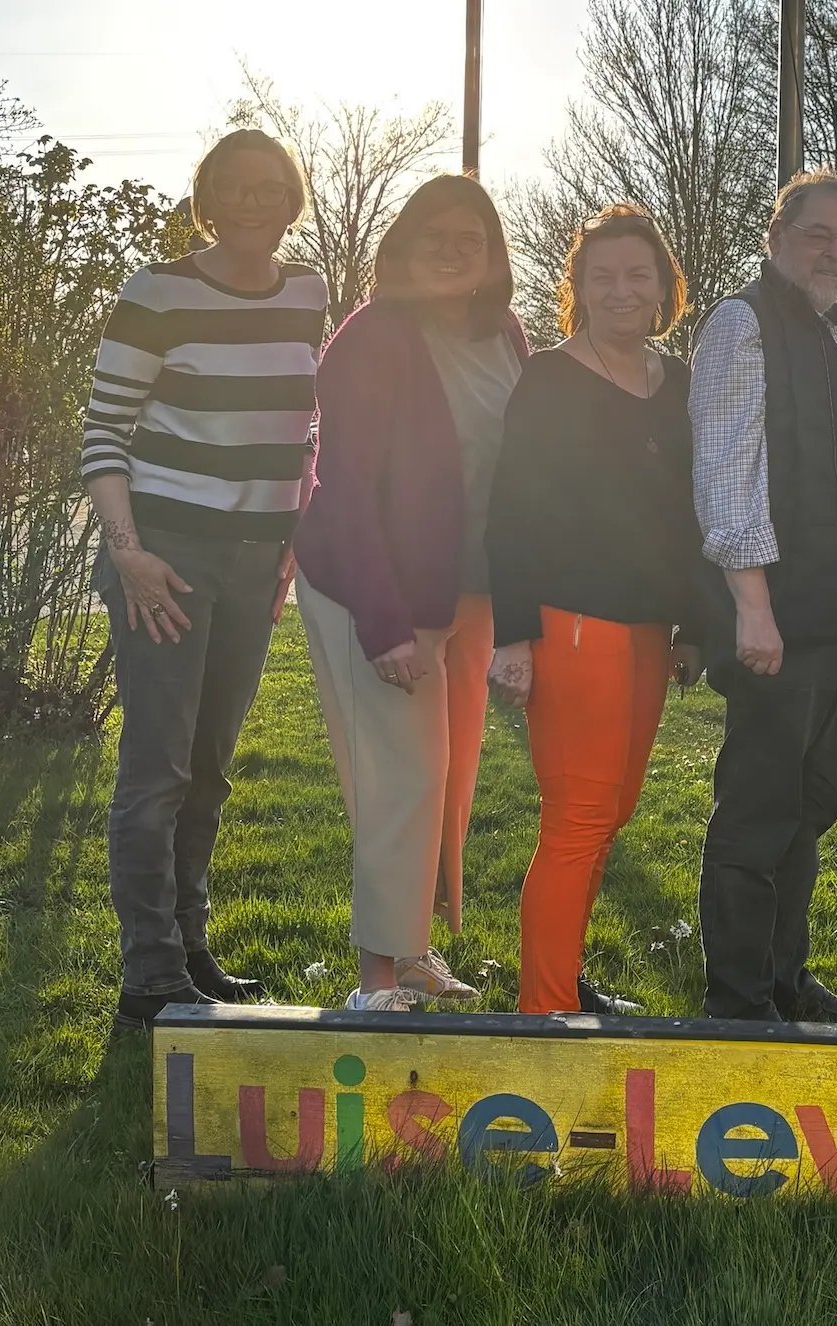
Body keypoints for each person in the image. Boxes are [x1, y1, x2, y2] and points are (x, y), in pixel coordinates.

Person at [85, 130, 327, 1029]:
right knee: (157, 771)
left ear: (293, 196)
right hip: (166, 558)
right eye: (236, 186)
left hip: (259, 561)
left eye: (272, 185)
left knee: (211, 770)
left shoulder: (309, 294)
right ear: (208, 196)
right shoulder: (158, 292)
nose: (255, 201)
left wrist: (293, 539)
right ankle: (149, 976)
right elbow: (104, 435)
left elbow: (302, 432)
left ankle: (191, 949)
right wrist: (129, 552)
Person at [293, 175, 528, 1012]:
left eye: (473, 237)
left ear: (495, 255)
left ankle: (419, 950)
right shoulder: (371, 337)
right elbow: (347, 487)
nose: (454, 250)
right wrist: (387, 624)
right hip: (375, 590)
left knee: (451, 779)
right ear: (400, 246)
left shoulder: (503, 333)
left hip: (463, 593)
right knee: (403, 777)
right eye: (436, 234)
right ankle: (377, 980)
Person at [690, 170, 837, 1022]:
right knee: (757, 810)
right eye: (821, 234)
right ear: (775, 236)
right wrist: (752, 606)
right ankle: (740, 1003)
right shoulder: (746, 323)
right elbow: (725, 468)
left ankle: (786, 980)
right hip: (778, 612)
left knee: (807, 807)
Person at [485, 205, 702, 1017]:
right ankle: (543, 1019)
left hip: (649, 629)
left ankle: (564, 978)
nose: (621, 290)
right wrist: (513, 638)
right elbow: (510, 512)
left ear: (662, 289)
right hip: (571, 622)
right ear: (576, 288)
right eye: (601, 276)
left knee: (612, 812)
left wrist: (694, 626)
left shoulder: (674, 382)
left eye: (637, 275)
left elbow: (689, 509)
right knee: (577, 818)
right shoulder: (548, 378)